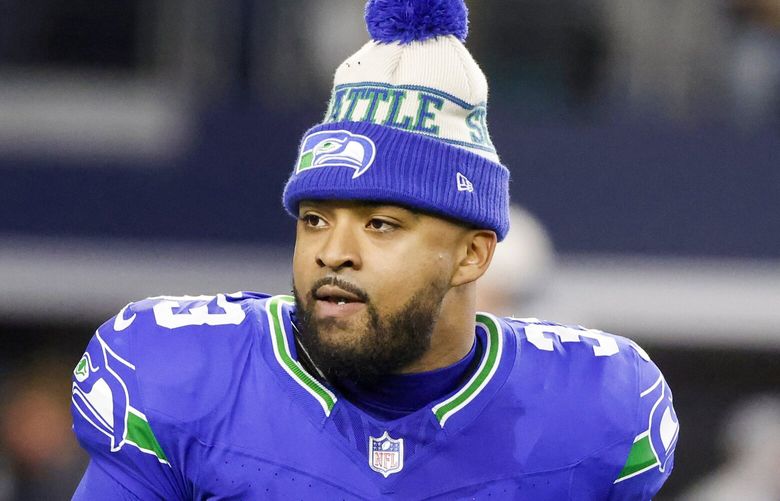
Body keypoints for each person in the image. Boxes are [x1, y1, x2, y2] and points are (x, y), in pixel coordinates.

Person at [70, 1, 679, 499]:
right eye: (314, 218)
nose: (332, 252)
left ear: (472, 255)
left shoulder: (598, 408)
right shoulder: (181, 375)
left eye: (381, 224)